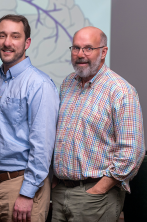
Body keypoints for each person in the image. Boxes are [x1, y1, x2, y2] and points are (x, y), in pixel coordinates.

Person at [51, 26, 145, 222]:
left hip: (95, 196)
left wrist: (99, 188)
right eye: (75, 48)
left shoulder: (121, 91)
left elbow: (132, 151)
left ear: (103, 52)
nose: (80, 54)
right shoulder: (68, 84)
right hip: (60, 193)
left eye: (88, 48)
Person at [0, 14, 59, 222]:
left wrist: (27, 192)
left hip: (20, 186)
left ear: (27, 42)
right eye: (2, 36)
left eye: (15, 36)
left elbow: (43, 144)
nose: (7, 43)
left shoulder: (39, 84)